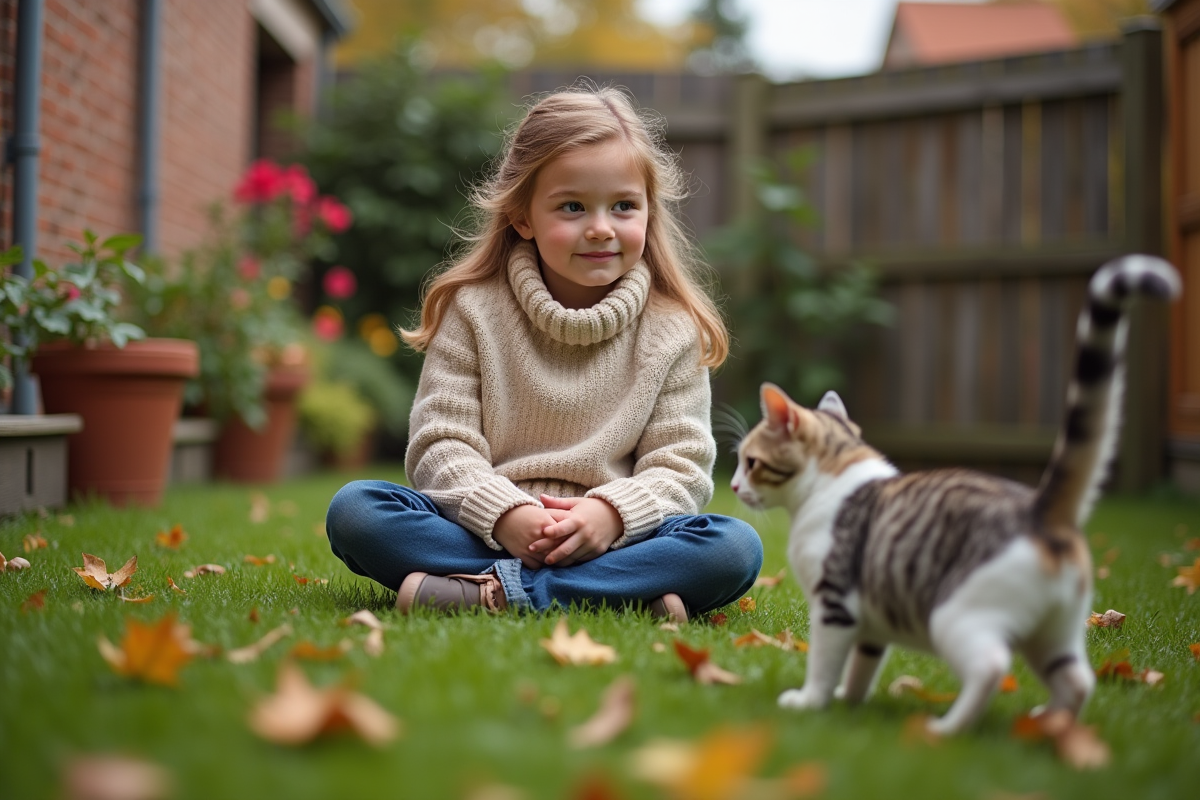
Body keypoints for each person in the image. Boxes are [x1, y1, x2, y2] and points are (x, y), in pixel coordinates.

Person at [324, 86, 763, 622]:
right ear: (523, 216)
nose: (601, 227)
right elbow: (442, 441)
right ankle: (612, 594)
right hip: (482, 528)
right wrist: (505, 513)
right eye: (573, 206)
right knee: (357, 511)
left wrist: (609, 514)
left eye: (624, 206)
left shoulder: (672, 330)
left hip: (613, 539)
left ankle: (493, 593)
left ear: (649, 211)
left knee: (734, 547)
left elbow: (682, 466)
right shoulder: (474, 310)